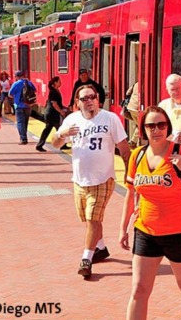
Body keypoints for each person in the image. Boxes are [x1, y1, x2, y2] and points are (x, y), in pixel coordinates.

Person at [119, 106, 181, 320]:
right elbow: (131, 195)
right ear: (143, 129)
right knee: (139, 290)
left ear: (167, 127)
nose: (156, 129)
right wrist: (123, 228)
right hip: (146, 231)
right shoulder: (137, 156)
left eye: (161, 125)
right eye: (151, 125)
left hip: (180, 231)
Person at [52, 84, 131, 279]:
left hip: (103, 179)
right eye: (84, 99)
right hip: (79, 180)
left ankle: (86, 259)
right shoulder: (72, 120)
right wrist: (62, 134)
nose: (89, 101)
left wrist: (130, 173)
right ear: (77, 103)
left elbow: (124, 146)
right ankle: (101, 248)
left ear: (98, 100)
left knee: (93, 219)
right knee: (88, 220)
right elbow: (55, 144)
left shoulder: (110, 119)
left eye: (92, 97)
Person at [36, 77, 68, 152]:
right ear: (55, 83)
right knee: (58, 129)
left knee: (52, 129)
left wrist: (63, 108)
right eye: (59, 81)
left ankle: (62, 144)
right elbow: (54, 104)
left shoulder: (56, 91)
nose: (61, 83)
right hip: (51, 114)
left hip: (53, 114)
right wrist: (61, 111)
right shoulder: (53, 92)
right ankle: (40, 145)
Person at [8, 70, 36, 145]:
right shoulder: (28, 82)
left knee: (20, 123)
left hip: (19, 105)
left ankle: (23, 139)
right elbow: (35, 91)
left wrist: (16, 96)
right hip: (28, 105)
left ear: (17, 77)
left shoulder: (16, 84)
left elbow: (10, 94)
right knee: (25, 122)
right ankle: (24, 136)